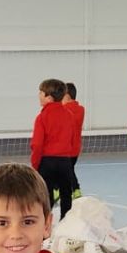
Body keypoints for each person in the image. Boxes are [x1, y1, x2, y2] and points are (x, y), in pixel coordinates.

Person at [29, 78, 80, 220]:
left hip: (47, 162)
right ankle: (66, 224)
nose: (39, 95)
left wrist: (35, 164)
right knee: (66, 195)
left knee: (46, 196)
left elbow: (37, 144)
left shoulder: (42, 117)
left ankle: (45, 225)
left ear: (49, 97)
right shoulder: (69, 115)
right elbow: (73, 140)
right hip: (65, 161)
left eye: (41, 93)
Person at [64, 82, 85, 197]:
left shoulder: (64, 109)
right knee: (68, 169)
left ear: (66, 95)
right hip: (76, 148)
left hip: (66, 148)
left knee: (67, 170)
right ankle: (73, 190)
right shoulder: (81, 109)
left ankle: (75, 190)